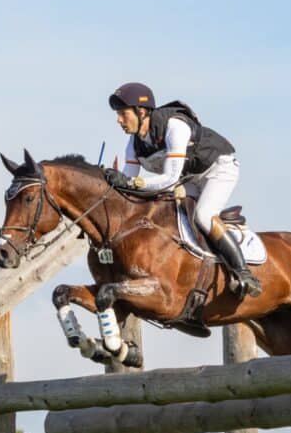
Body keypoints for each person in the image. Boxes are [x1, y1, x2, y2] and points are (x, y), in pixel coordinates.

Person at [104, 82, 262, 298]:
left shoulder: (175, 127)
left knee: (203, 216)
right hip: (190, 178)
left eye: (123, 114)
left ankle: (242, 273)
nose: (118, 120)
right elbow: (128, 185)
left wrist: (131, 183)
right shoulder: (134, 144)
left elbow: (168, 180)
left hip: (218, 170)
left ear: (141, 112)